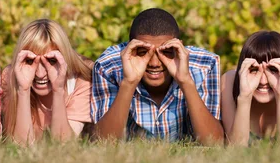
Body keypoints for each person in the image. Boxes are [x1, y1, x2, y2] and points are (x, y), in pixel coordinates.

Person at [91, 8, 224, 144]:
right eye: (143, 52)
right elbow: (103, 142)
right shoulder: (108, 66)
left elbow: (214, 143)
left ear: (178, 47)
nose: (154, 63)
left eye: (165, 52)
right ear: (131, 47)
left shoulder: (205, 65)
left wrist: (185, 81)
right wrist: (129, 83)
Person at [2, 19, 93, 144]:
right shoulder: (11, 77)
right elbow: (20, 147)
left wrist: (58, 90)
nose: (40, 73)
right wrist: (23, 90)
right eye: (30, 61)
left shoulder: (81, 81)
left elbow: (62, 145)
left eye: (51, 61)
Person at [220, 30, 280, 146]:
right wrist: (244, 97)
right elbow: (236, 147)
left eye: (273, 70)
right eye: (254, 70)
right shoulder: (229, 80)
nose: (263, 81)